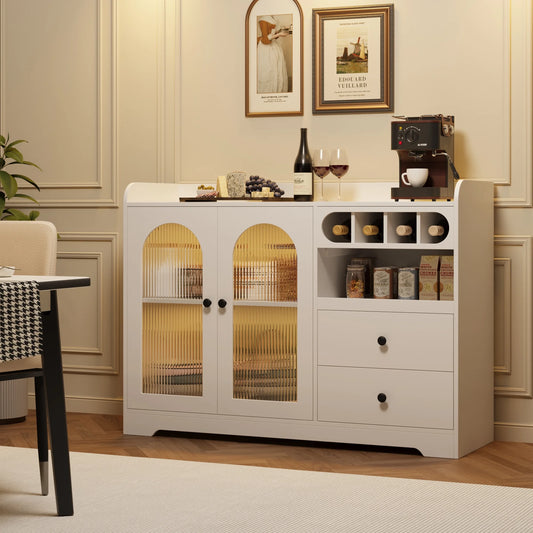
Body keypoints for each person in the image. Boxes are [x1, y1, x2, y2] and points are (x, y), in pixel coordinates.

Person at [257, 15, 289, 94]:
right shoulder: (263, 19)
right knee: (268, 70)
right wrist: (278, 34)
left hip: (275, 47)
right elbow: (265, 40)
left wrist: (282, 31)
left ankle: (278, 91)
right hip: (266, 49)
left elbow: (274, 37)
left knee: (277, 69)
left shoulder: (274, 18)